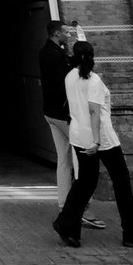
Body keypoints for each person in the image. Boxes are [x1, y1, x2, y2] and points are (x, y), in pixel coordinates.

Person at [52, 41, 133, 250]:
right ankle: (132, 234)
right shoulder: (94, 80)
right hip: (103, 140)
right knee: (122, 183)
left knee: (85, 183)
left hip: (79, 136)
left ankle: (66, 224)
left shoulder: (70, 76)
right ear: (92, 56)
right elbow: (94, 112)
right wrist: (97, 141)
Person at [38, 20, 104, 230]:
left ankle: (63, 204)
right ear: (57, 34)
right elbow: (63, 82)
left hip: (50, 113)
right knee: (82, 159)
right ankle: (81, 208)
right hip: (63, 115)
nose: (68, 35)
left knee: (63, 160)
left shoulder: (46, 51)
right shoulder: (55, 55)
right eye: (66, 32)